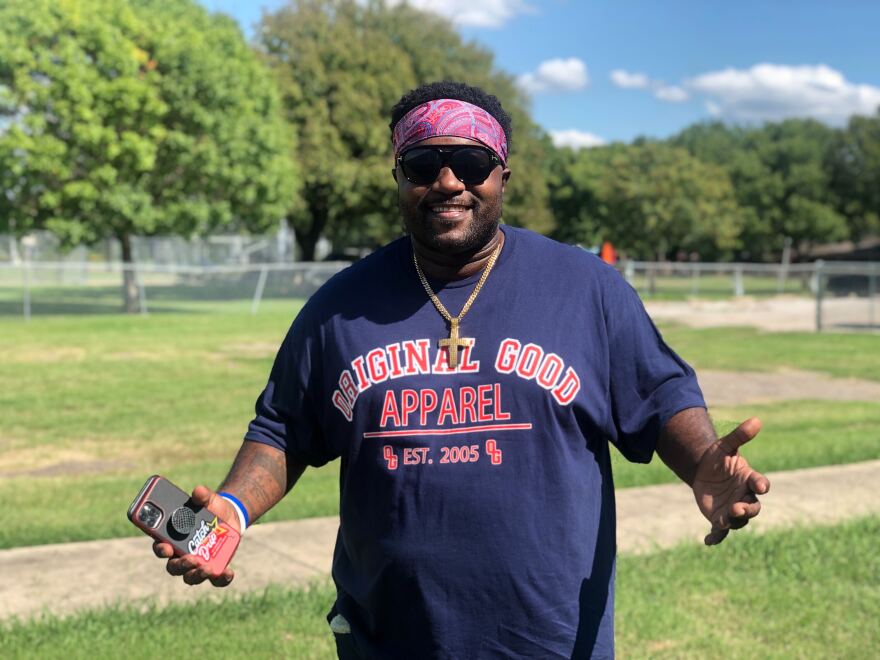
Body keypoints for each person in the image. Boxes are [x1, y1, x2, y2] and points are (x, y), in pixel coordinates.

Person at [153, 81, 769, 659]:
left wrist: (701, 466)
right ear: (399, 177)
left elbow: (658, 396)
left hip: (548, 637)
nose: (448, 182)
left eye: (471, 164)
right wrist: (230, 510)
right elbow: (284, 428)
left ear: (502, 173)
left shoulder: (587, 289)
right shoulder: (339, 306)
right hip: (388, 637)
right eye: (423, 165)